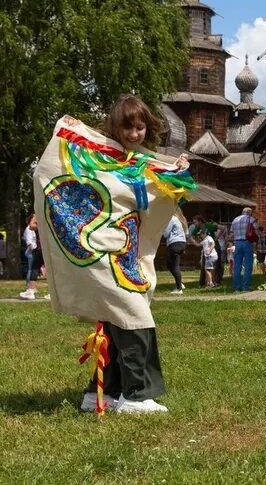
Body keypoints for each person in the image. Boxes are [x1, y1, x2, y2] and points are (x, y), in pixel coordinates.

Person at [35, 94, 192, 413]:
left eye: (140, 127)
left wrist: (176, 171)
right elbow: (51, 171)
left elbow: (163, 190)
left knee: (115, 319)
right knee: (134, 315)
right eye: (128, 128)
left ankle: (100, 393)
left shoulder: (140, 163)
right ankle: (136, 395)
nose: (135, 134)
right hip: (103, 251)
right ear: (114, 127)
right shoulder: (95, 158)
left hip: (123, 254)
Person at [230, 208, 259, 292]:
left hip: (237, 243)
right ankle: (245, 287)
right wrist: (256, 241)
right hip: (247, 242)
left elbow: (231, 233)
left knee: (237, 265)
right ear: (249, 212)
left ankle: (236, 287)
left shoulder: (235, 220)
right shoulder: (251, 219)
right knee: (248, 265)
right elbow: (256, 231)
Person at [163, 210, 188, 295]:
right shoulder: (178, 220)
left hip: (174, 243)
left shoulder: (171, 219)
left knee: (175, 265)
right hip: (181, 243)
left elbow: (166, 234)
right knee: (169, 264)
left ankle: (179, 289)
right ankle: (179, 283)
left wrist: (161, 229)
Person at [19, 214, 40, 300]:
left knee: (33, 268)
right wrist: (33, 248)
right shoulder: (28, 229)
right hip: (32, 251)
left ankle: (31, 289)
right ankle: (30, 287)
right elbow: (29, 241)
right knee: (31, 269)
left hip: (36, 250)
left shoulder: (32, 229)